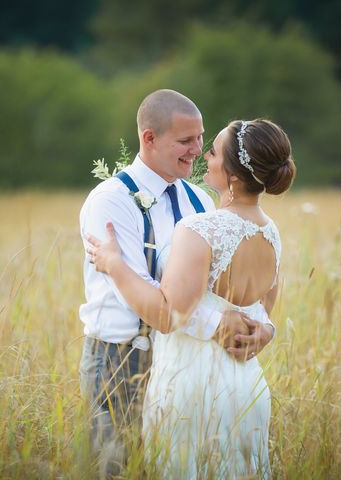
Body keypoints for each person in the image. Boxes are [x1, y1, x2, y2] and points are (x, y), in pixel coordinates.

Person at [78, 90, 276, 477]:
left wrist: (263, 327)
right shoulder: (111, 200)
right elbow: (144, 289)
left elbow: (220, 283)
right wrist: (220, 326)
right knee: (117, 468)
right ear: (149, 138)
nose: (197, 151)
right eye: (186, 141)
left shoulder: (199, 200)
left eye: (202, 139)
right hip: (123, 358)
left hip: (188, 363)